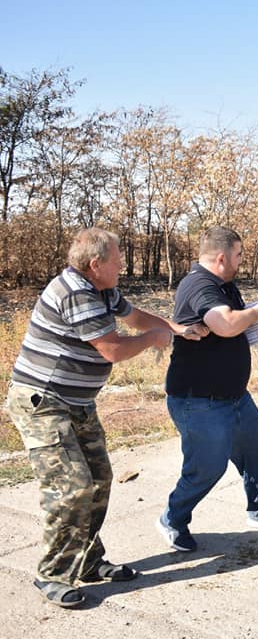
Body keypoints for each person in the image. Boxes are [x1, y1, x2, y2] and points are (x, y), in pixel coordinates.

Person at [5, 227, 208, 608]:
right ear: (96, 264)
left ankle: (87, 560)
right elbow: (111, 349)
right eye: (117, 260)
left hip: (76, 403)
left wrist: (175, 328)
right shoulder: (75, 292)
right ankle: (52, 573)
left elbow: (133, 317)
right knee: (72, 487)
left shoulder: (102, 289)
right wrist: (153, 340)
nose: (122, 266)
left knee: (99, 480)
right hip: (43, 402)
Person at [157, 226, 258, 553]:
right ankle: (173, 519)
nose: (240, 261)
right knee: (207, 467)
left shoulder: (223, 285)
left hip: (233, 396)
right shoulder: (200, 285)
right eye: (238, 255)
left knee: (257, 449)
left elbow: (236, 322)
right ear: (222, 257)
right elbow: (225, 323)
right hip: (199, 400)